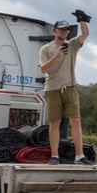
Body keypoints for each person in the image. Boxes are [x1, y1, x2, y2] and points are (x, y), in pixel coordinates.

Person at [39, 13, 92, 165]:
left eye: (66, 30)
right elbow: (43, 70)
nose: (64, 32)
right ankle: (54, 156)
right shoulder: (46, 48)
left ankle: (79, 155)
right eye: (61, 30)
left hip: (70, 86)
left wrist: (82, 20)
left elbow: (85, 34)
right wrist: (56, 57)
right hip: (53, 88)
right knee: (54, 123)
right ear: (55, 30)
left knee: (75, 120)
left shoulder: (72, 44)